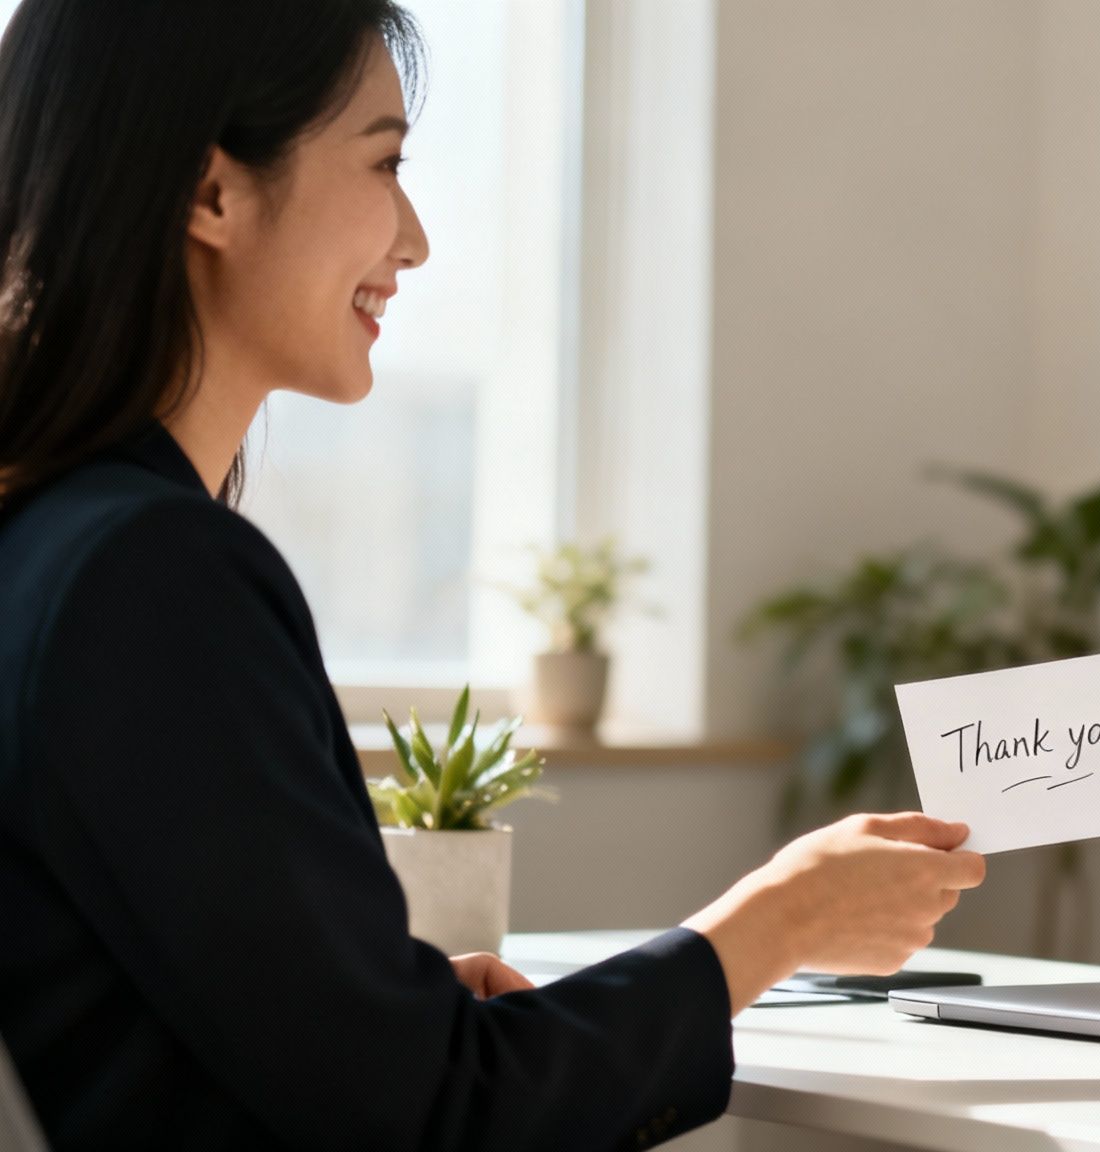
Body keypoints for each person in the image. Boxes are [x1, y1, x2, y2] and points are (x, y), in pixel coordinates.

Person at [0, 2, 982, 1147]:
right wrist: (778, 920)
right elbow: (439, 1118)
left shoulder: (55, 546)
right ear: (211, 194)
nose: (413, 239)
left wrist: (389, 1009)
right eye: (385, 161)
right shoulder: (151, 578)